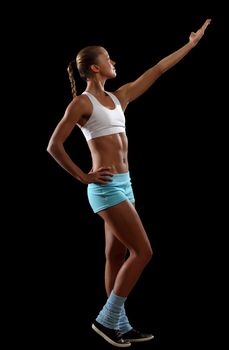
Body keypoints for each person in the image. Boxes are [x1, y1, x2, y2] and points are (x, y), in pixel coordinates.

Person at [47, 19, 211, 347]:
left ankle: (118, 323)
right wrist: (83, 176)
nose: (114, 62)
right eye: (108, 59)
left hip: (125, 184)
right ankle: (107, 319)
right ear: (95, 68)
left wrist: (191, 45)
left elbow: (158, 68)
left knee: (116, 254)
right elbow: (53, 145)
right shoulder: (82, 103)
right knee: (144, 251)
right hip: (105, 188)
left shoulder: (120, 97)